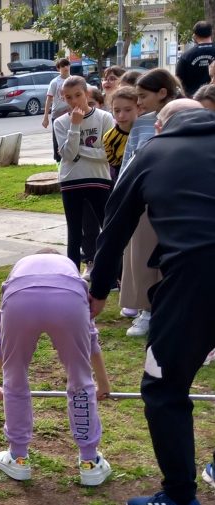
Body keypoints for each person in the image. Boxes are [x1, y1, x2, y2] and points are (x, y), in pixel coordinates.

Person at [88, 100, 214, 505]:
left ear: (160, 126)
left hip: (196, 277)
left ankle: (179, 501)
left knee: (164, 386)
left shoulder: (153, 152)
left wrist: (99, 288)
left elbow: (115, 224)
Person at [0, 251, 111, 486]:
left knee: (15, 377)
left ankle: (18, 458)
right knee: (80, 378)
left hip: (19, 299)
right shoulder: (70, 270)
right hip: (69, 298)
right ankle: (89, 462)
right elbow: (91, 337)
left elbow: (1, 339)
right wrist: (102, 383)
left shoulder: (20, 269)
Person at [116, 69, 183, 337]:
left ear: (162, 93)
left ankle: (172, 310)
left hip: (178, 201)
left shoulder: (186, 117)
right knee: (141, 253)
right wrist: (121, 193)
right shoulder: (143, 123)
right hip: (145, 198)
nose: (139, 101)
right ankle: (145, 310)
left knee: (175, 258)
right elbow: (129, 161)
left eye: (143, 96)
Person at [53, 75, 115, 270]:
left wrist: (80, 151)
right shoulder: (61, 122)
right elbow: (69, 155)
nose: (74, 101)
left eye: (78, 95)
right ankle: (71, 276)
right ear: (63, 98)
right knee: (74, 232)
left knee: (107, 228)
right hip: (72, 181)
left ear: (87, 93)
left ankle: (112, 274)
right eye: (68, 97)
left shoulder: (104, 117)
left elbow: (108, 154)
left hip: (98, 178)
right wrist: (75, 125)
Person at [103, 87, 138, 182]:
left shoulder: (147, 131)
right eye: (117, 110)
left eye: (128, 110)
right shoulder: (108, 138)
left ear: (139, 108)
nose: (121, 115)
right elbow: (115, 168)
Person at [43, 58, 73, 164]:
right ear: (58, 68)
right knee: (57, 139)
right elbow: (49, 99)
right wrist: (45, 117)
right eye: (63, 66)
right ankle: (59, 161)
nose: (66, 67)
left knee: (72, 136)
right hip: (57, 115)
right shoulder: (54, 82)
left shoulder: (73, 80)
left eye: (67, 65)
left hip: (71, 114)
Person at [175, 21, 214, 97]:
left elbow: (178, 81)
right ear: (211, 33)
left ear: (194, 36)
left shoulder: (186, 56)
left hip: (193, 100)